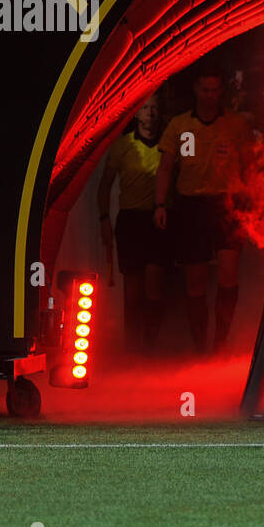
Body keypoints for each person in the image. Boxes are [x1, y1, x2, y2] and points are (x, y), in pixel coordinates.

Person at [155, 66, 255, 354]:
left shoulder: (235, 125)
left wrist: (254, 203)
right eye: (205, 90)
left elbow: (249, 167)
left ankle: (220, 342)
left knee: (228, 275)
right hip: (191, 207)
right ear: (196, 91)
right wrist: (160, 205)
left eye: (214, 90)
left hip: (228, 205)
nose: (210, 96)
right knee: (195, 282)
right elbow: (164, 168)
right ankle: (201, 346)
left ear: (220, 91)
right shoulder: (179, 125)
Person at [99, 94, 169, 352]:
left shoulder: (168, 143)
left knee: (154, 289)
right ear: (136, 114)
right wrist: (104, 218)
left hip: (157, 219)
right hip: (130, 220)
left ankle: (150, 347)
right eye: (145, 109)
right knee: (132, 291)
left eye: (154, 109)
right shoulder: (123, 145)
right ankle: (131, 349)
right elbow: (104, 186)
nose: (149, 114)